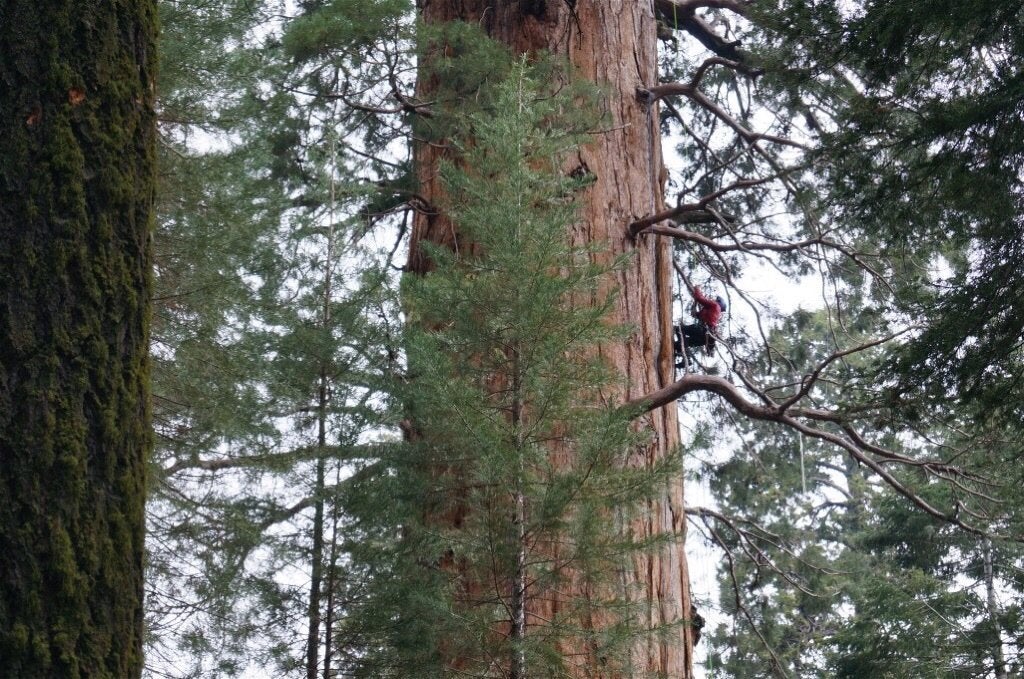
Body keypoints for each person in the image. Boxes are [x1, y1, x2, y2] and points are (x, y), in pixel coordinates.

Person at [673, 287, 726, 365]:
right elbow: (697, 315)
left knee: (679, 329)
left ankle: (686, 357)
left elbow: (699, 298)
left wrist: (697, 288)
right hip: (704, 338)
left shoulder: (715, 305)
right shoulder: (714, 311)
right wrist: (695, 311)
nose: (713, 300)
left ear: (718, 302)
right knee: (679, 344)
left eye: (715, 300)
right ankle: (686, 360)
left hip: (702, 330)